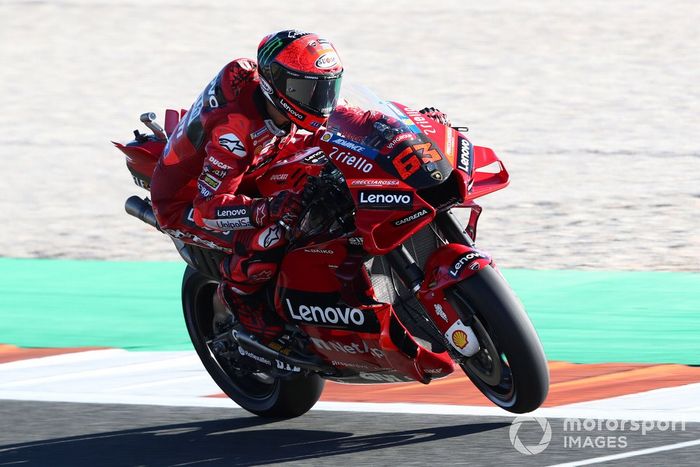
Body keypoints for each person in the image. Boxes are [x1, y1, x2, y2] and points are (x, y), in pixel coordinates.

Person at [150, 29, 450, 343]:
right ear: (275, 85)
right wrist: (267, 208)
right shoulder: (235, 133)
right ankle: (238, 299)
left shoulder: (290, 102)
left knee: (339, 164)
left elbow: (357, 119)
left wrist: (412, 125)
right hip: (188, 202)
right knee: (276, 230)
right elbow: (207, 210)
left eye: (327, 88)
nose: (322, 101)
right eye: (308, 90)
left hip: (259, 166)